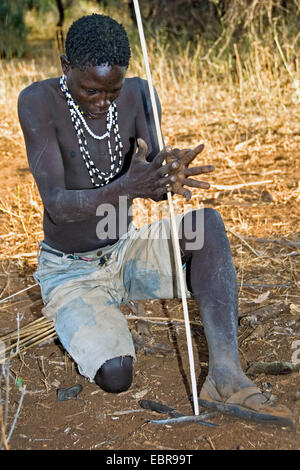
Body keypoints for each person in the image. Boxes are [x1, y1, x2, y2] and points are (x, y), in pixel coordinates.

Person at [18, 13, 292, 425]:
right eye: (91, 89)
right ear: (64, 67)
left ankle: (226, 376)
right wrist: (128, 187)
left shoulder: (141, 95)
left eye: (112, 91)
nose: (102, 101)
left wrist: (169, 175)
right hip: (72, 270)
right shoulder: (37, 102)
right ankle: (79, 316)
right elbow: (57, 203)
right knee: (115, 375)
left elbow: (154, 179)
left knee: (207, 227)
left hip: (125, 248)